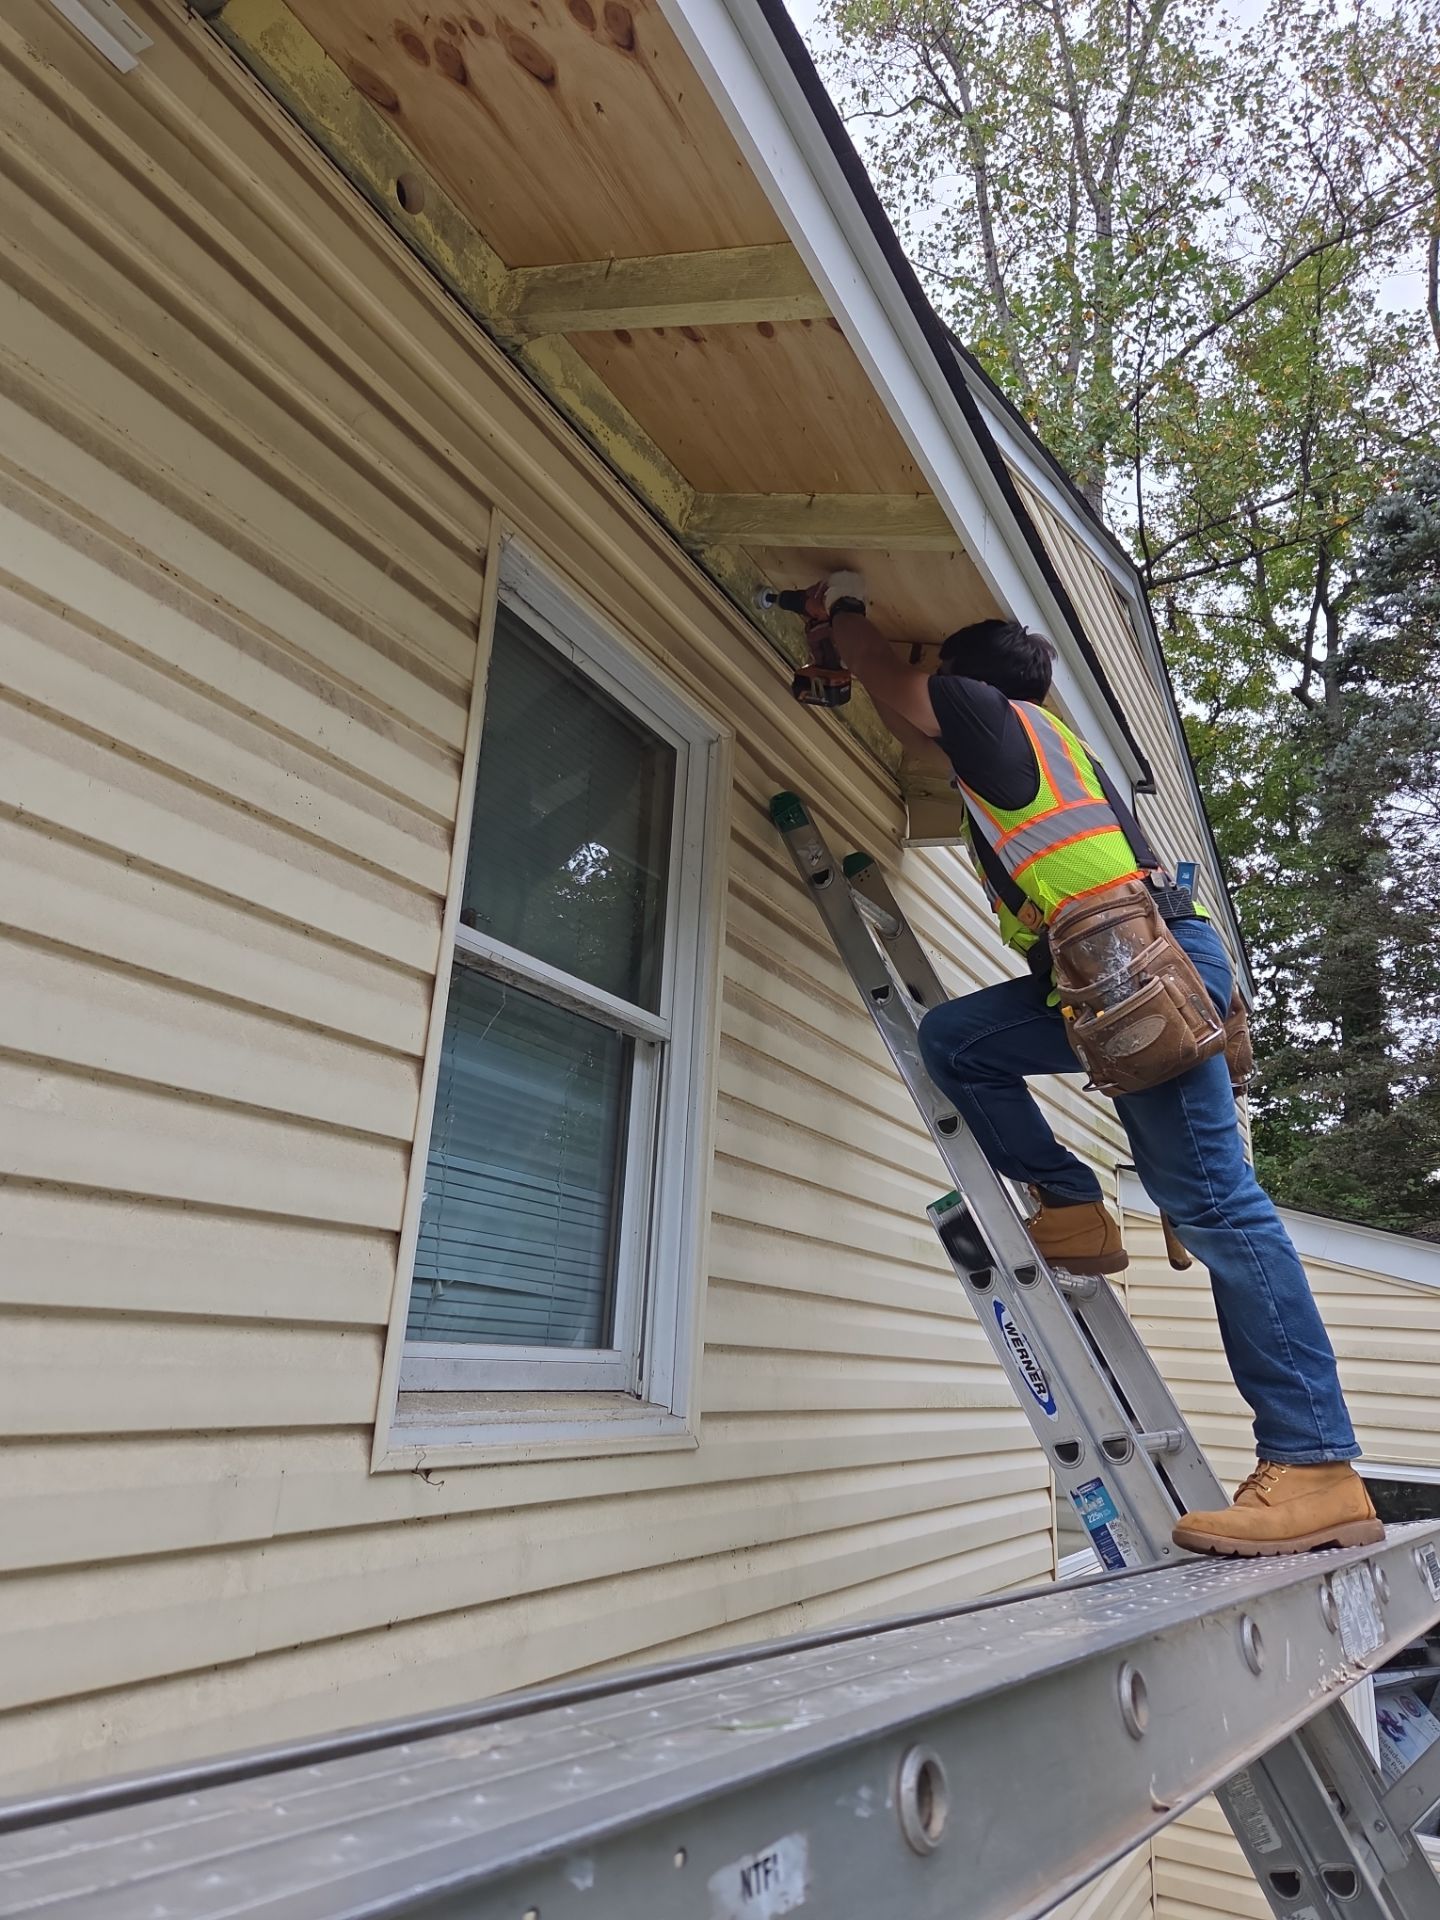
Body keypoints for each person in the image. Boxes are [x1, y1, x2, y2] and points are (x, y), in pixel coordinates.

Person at [813, 573, 1380, 1557]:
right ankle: (1073, 1207)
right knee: (959, 1042)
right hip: (1113, 970)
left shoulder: (983, 711)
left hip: (1138, 969)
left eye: (938, 679)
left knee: (1219, 1208)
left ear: (966, 681)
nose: (927, 703)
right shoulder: (1034, 753)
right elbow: (912, 726)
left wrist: (845, 614)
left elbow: (899, 691)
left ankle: (1316, 1465)